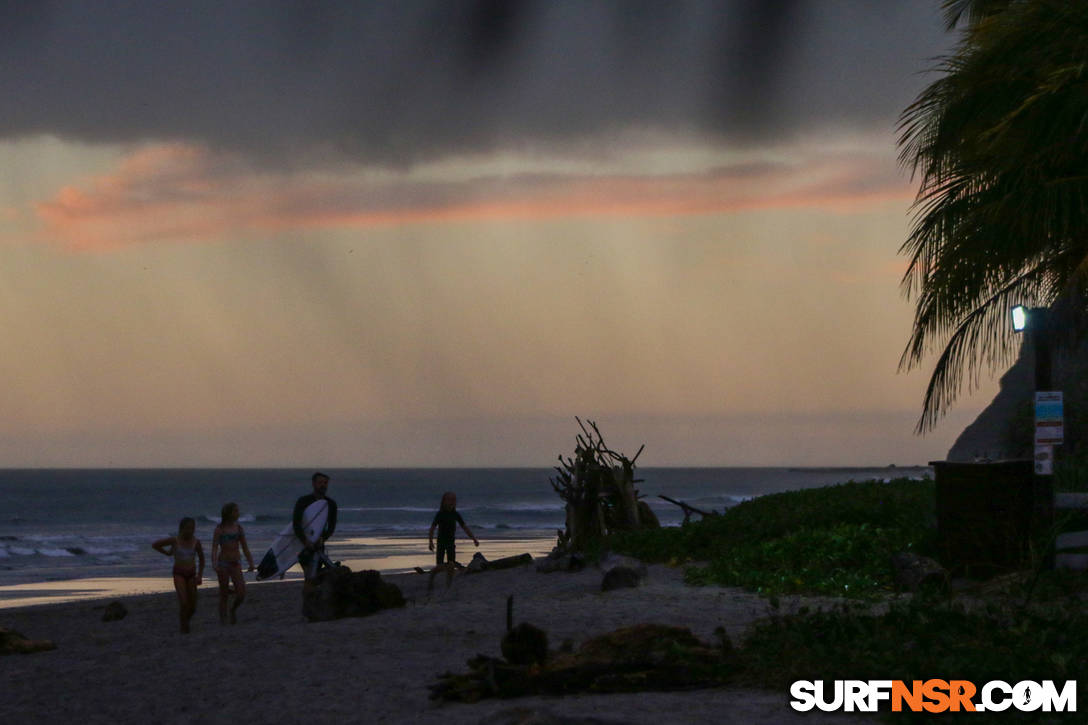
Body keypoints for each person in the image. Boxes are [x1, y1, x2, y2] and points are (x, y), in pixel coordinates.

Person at [152, 517, 205, 633]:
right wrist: (167, 553)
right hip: (179, 574)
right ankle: (184, 627)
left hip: (191, 574)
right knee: (184, 603)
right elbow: (155, 545)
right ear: (181, 529)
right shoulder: (175, 540)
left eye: (192, 528)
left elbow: (202, 559)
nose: (190, 531)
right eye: (187, 528)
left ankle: (186, 620)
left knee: (193, 607)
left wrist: (200, 575)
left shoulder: (196, 542)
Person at [211, 502, 255, 625]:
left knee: (241, 593)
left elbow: (245, 547)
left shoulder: (239, 528)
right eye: (235, 511)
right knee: (224, 593)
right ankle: (223, 619)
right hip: (223, 563)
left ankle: (233, 609)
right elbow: (214, 547)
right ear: (228, 513)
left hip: (236, 563)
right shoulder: (219, 529)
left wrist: (251, 562)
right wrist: (214, 563)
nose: (238, 513)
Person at [294, 472, 338, 591]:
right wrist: (305, 541)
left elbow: (331, 526)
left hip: (319, 545)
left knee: (315, 575)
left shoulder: (331, 504)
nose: (323, 485)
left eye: (325, 483)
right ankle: (308, 602)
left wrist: (323, 538)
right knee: (309, 576)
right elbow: (296, 524)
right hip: (302, 546)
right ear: (314, 484)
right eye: (320, 483)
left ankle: (312, 601)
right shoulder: (303, 501)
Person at [428, 491, 479, 591]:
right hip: (441, 543)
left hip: (451, 542)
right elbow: (432, 528)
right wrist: (430, 541)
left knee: (451, 564)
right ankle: (432, 575)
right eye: (449, 499)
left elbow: (465, 527)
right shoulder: (440, 514)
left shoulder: (455, 514)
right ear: (444, 502)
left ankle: (448, 586)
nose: (452, 502)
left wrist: (474, 539)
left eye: (454, 500)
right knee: (440, 566)